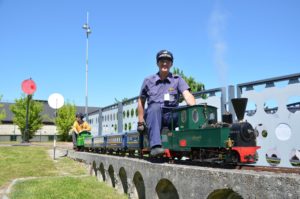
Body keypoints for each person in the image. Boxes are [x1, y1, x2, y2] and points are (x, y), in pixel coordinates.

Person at [137, 50, 196, 157]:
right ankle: (155, 146)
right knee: (154, 107)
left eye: (168, 61)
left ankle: (192, 145)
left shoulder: (177, 80)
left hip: (171, 115)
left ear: (171, 64)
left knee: (185, 112)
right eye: (162, 61)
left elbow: (186, 94)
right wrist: (140, 122)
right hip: (154, 115)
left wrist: (193, 108)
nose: (164, 63)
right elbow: (141, 101)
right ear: (157, 63)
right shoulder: (148, 80)